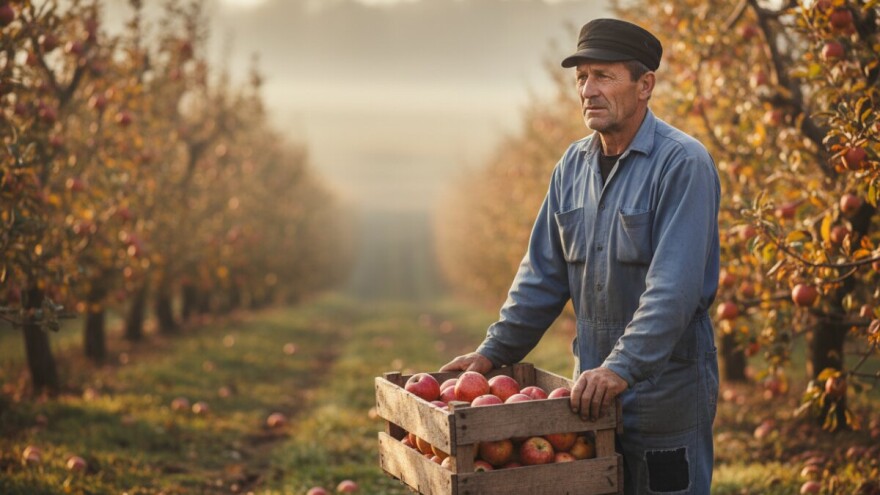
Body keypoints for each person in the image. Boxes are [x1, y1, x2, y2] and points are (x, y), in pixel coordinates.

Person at [440, 18, 720, 495]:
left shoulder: (682, 164)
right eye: (582, 77)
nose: (588, 90)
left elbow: (673, 291)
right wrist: (493, 353)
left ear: (644, 85)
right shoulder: (572, 166)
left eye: (604, 76)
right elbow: (541, 277)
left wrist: (622, 368)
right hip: (588, 395)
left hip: (661, 394)